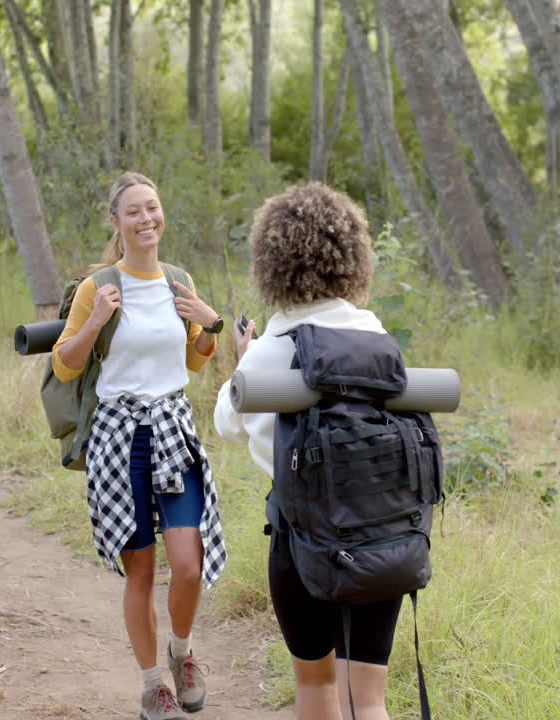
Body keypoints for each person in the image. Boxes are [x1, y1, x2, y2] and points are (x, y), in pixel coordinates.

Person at [214, 182, 402, 720]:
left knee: (317, 689)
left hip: (303, 543)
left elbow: (229, 423)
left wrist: (243, 361)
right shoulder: (375, 335)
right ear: (351, 256)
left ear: (272, 262)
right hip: (381, 535)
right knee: (368, 699)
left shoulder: (270, 351)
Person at [51, 171, 228, 720]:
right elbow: (65, 364)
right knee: (143, 571)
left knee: (189, 563)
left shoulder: (179, 280)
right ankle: (154, 683)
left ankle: (182, 651)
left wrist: (209, 326)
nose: (146, 219)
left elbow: (195, 361)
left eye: (152, 208)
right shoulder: (97, 286)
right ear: (116, 222)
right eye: (134, 211)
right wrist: (96, 319)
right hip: (120, 435)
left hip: (174, 428)